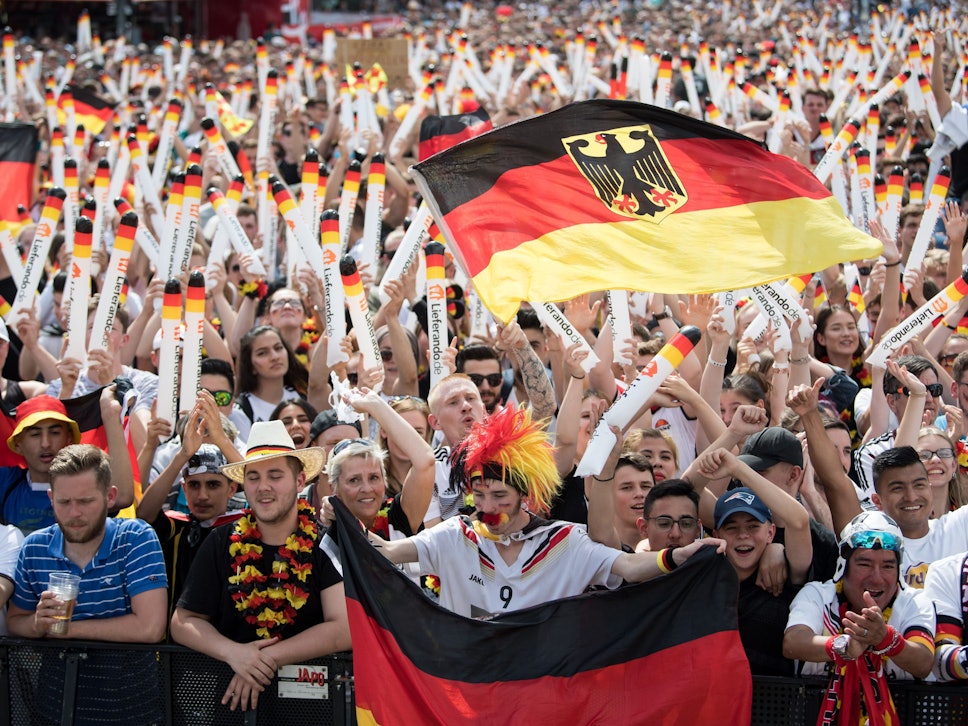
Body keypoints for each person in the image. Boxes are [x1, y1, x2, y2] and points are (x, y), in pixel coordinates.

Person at [369, 405, 724, 618]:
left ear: (525, 495)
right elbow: (385, 552)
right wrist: (342, 519)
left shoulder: (565, 540)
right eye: (479, 495)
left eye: (499, 496)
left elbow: (629, 566)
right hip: (471, 696)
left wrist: (679, 556)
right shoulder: (455, 536)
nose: (487, 507)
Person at [170, 420, 350, 712]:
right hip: (233, 707)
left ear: (300, 481)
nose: (263, 487)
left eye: (275, 475)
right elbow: (183, 622)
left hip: (310, 712)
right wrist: (235, 654)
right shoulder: (220, 541)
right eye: (253, 477)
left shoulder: (324, 543)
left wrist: (264, 660)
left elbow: (343, 628)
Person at [792, 378, 968, 589]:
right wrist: (810, 414)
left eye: (919, 485)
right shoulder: (868, 537)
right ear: (877, 500)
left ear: (929, 489)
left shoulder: (958, 526)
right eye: (897, 488)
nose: (911, 496)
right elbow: (834, 479)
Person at [784, 513, 935, 723]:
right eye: (864, 564)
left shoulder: (914, 602)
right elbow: (793, 642)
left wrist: (885, 640)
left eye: (888, 566)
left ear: (899, 570)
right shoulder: (817, 594)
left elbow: (924, 662)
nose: (876, 577)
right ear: (843, 566)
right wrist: (843, 647)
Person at [7, 443, 168, 641]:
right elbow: (14, 622)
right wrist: (37, 622)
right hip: (55, 672)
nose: (74, 513)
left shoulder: (135, 538)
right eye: (64, 502)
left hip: (124, 672)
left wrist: (65, 629)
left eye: (85, 501)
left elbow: (150, 629)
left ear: (110, 497)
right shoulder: (34, 548)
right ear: (51, 498)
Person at [698, 446, 812, 676]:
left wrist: (738, 468)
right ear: (717, 536)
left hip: (774, 709)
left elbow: (799, 521)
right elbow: (686, 489)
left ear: (770, 533)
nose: (743, 535)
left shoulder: (786, 575)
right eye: (732, 528)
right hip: (716, 707)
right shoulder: (703, 580)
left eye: (752, 526)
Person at [138, 395, 244, 624]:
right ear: (184, 489)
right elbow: (143, 515)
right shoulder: (178, 527)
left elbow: (264, 493)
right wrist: (182, 455)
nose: (202, 495)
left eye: (213, 484)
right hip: (178, 648)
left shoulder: (248, 525)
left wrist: (223, 442)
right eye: (194, 485)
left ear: (232, 488)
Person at [0, 388, 133, 533]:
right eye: (35, 434)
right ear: (18, 444)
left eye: (55, 433)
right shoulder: (5, 482)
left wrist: (111, 416)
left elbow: (122, 498)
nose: (45, 443)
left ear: (69, 439)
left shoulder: (88, 480)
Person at [233, 325, 309, 441]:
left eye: (278, 348)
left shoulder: (302, 397)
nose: (274, 357)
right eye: (262, 353)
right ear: (251, 366)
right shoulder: (241, 410)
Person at [636, 479, 702, 551]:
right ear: (644, 528)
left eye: (686, 524)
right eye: (664, 524)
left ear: (698, 529)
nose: (675, 534)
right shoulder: (628, 560)